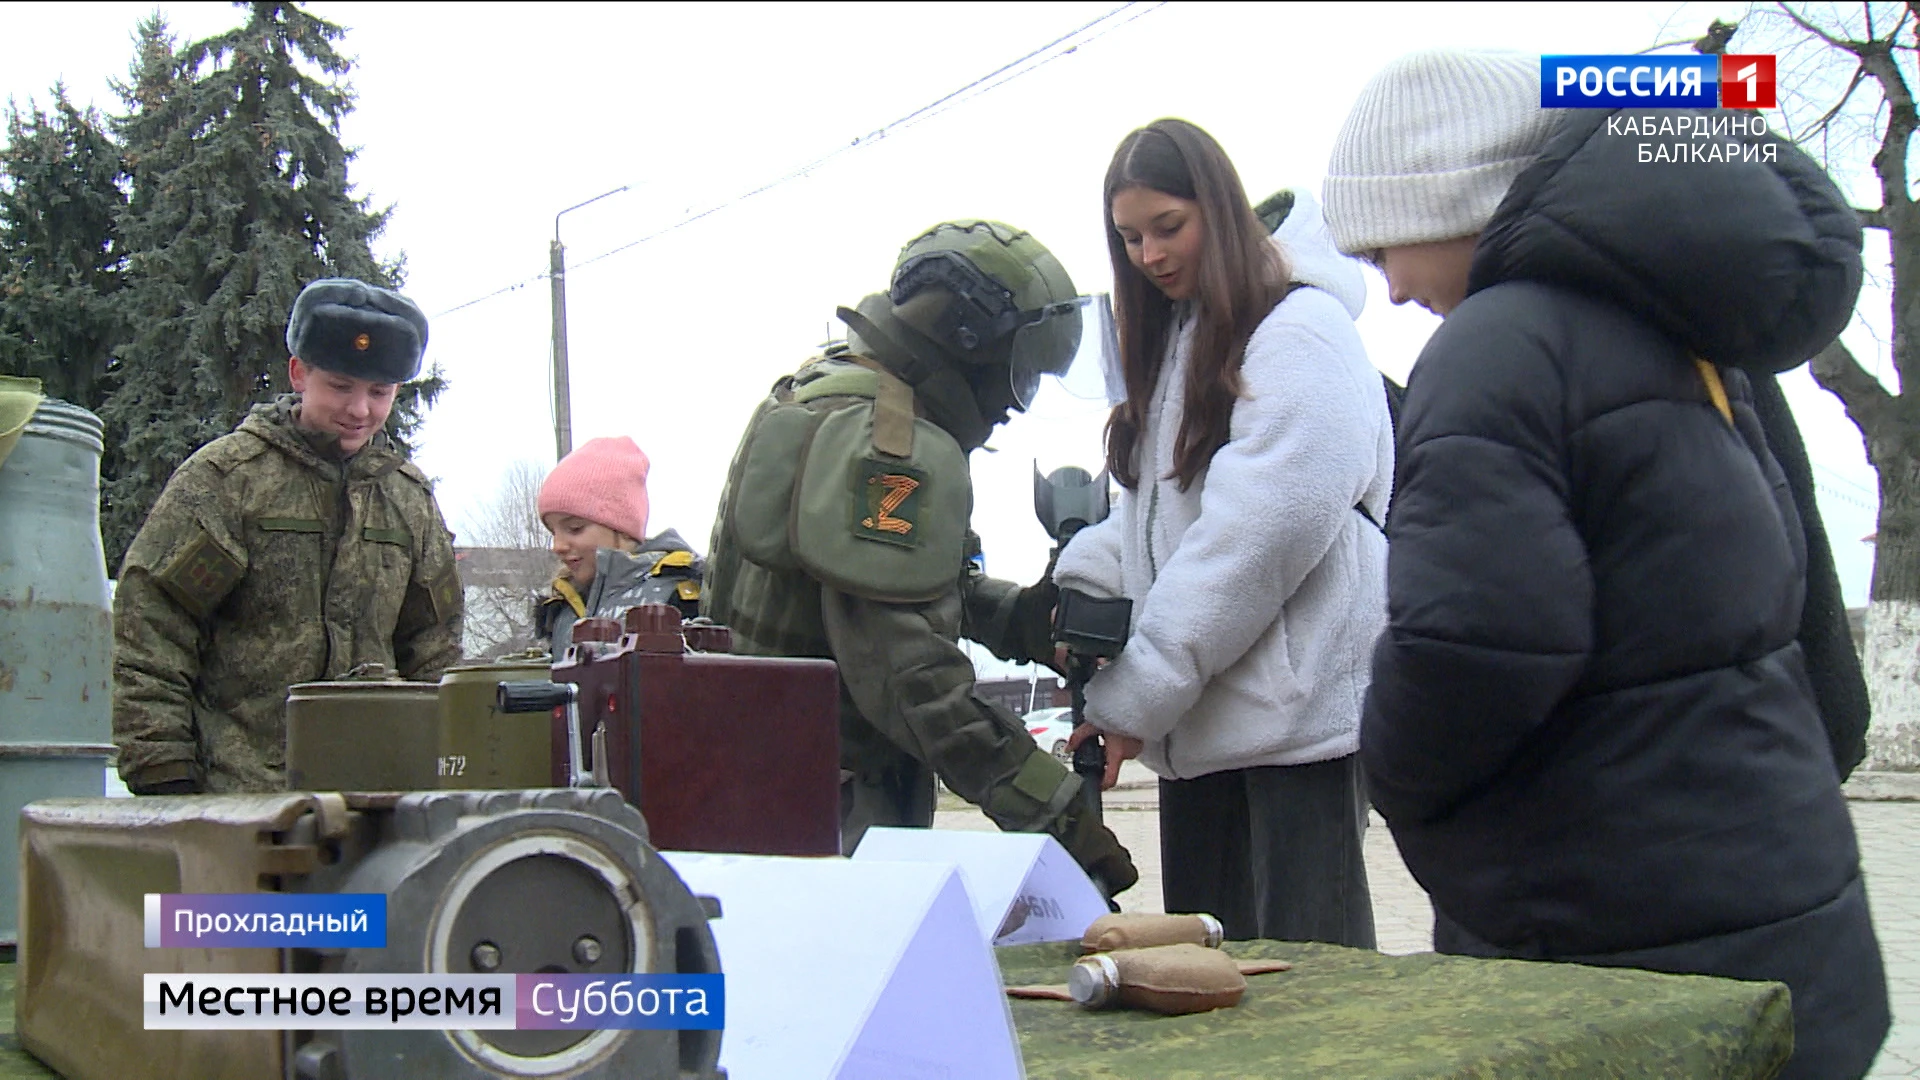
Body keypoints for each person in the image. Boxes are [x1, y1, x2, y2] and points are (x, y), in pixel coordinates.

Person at [1323, 48, 1888, 1078]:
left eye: (1385, 250)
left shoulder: (1497, 347)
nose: (1395, 291)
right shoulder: (1694, 335)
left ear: (1456, 191)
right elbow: (1809, 617)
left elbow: (1475, 647)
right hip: (1785, 911)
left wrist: (1395, 779)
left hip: (1611, 940)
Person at [702, 219, 1138, 898]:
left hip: (770, 796)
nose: (1014, 405)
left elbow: (882, 594)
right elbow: (917, 683)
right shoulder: (886, 446)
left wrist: (1020, 620)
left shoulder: (826, 391)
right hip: (828, 819)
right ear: (965, 345)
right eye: (1018, 372)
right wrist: (1061, 819)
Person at [1053, 119, 1390, 946]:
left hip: (1294, 724)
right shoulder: (1180, 344)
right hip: (1201, 722)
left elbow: (1255, 538)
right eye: (1129, 237)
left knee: (1314, 994)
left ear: (1224, 209)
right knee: (1210, 977)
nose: (1150, 255)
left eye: (1169, 226)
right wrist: (1073, 590)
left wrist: (1136, 693)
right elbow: (1148, 516)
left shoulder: (1301, 333)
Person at [112, 278, 464, 795]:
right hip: (236, 804)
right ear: (299, 373)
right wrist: (163, 774)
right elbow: (153, 628)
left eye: (379, 392)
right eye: (341, 386)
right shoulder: (230, 482)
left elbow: (434, 650)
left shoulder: (407, 500)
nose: (360, 409)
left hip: (380, 806)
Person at [533, 435, 706, 655]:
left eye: (575, 528)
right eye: (553, 532)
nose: (557, 546)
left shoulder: (681, 595)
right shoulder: (560, 611)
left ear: (623, 531)